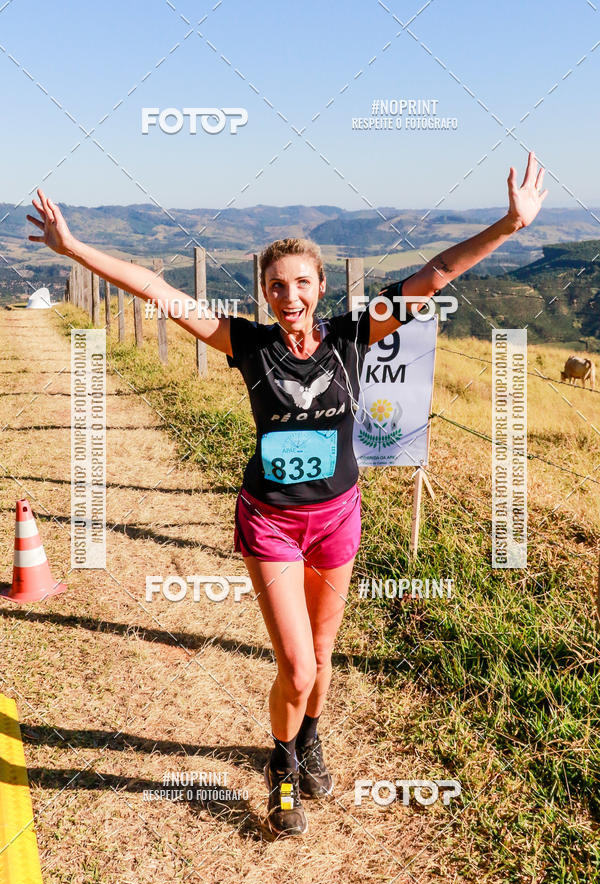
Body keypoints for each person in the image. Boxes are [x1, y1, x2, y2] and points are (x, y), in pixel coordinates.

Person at [28, 150, 548, 837]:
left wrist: (510, 225)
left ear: (322, 285)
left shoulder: (355, 333)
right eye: (277, 285)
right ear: (264, 293)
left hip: (338, 520)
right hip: (270, 523)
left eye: (302, 282)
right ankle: (280, 761)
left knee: (322, 658)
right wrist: (72, 247)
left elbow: (438, 273)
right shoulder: (246, 344)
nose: (290, 295)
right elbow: (155, 288)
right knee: (297, 667)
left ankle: (308, 739)